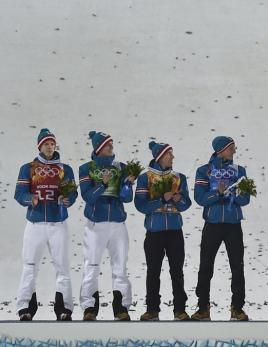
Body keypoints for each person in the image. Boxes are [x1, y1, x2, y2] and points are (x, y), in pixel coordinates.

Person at [14, 128, 78, 321]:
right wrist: (29, 199)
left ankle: (64, 308)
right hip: (35, 224)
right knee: (30, 265)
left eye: (52, 144)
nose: (50, 147)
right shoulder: (28, 168)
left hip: (58, 223)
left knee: (62, 266)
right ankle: (25, 307)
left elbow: (73, 194)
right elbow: (19, 193)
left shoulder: (65, 169)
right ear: (40, 146)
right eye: (46, 144)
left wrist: (69, 200)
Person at [192, 136, 251, 321]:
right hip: (213, 224)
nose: (234, 150)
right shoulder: (204, 171)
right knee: (206, 266)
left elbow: (246, 199)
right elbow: (200, 199)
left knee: (237, 267)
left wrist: (234, 192)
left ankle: (237, 308)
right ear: (221, 150)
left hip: (234, 225)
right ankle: (203, 308)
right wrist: (217, 193)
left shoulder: (240, 171)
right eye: (231, 147)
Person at [78, 131, 134, 321]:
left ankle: (121, 307)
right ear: (99, 148)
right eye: (108, 145)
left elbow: (127, 198)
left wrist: (127, 185)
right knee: (91, 265)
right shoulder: (86, 168)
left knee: (120, 267)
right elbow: (87, 196)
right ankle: (89, 307)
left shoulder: (122, 167)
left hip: (118, 224)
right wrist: (103, 184)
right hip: (95, 224)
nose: (111, 148)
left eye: (112, 145)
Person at [134, 141, 192, 321]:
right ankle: (152, 310)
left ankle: (180, 310)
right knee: (153, 271)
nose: (172, 157)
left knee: (177, 271)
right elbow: (140, 205)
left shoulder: (179, 177)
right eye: (169, 155)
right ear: (160, 157)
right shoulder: (145, 178)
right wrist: (161, 199)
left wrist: (178, 199)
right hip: (154, 232)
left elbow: (186, 204)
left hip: (175, 232)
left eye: (172, 154)